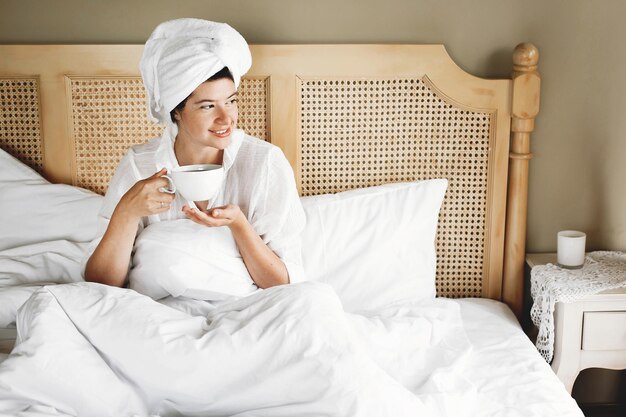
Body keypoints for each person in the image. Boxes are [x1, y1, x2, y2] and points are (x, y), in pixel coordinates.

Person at [83, 18, 305, 291]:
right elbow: (98, 285)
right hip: (156, 312)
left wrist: (239, 226)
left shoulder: (265, 162)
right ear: (176, 111)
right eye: (208, 106)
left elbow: (282, 283)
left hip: (244, 309)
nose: (226, 118)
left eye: (231, 101)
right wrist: (126, 213)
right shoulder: (140, 165)